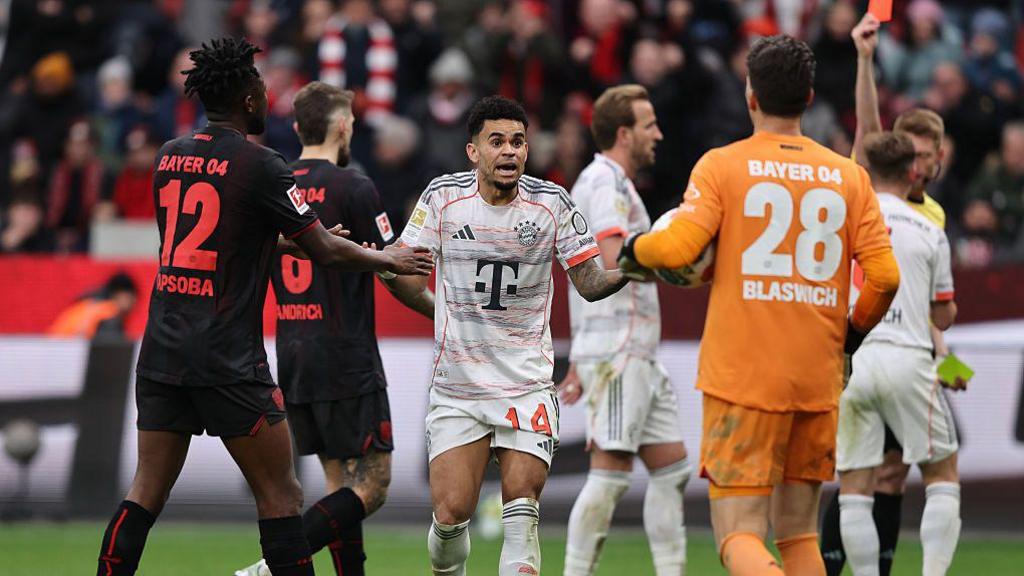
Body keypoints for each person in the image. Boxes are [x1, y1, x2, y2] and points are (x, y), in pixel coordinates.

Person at [94, 38, 432, 576]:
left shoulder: (168, 155)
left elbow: (206, 242)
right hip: (227, 357)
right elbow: (326, 250)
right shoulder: (261, 164)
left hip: (163, 350)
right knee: (281, 496)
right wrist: (385, 257)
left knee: (145, 491)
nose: (267, 94)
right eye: (260, 86)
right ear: (248, 99)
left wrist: (280, 243)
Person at [618, 35, 900, 576]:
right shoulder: (849, 177)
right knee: (798, 537)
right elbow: (885, 278)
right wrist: (851, 338)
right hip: (816, 377)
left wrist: (635, 249)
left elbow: (676, 249)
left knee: (739, 535)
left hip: (743, 379)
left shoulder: (724, 166)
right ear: (809, 98)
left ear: (751, 95)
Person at [393, 95, 628, 576]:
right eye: (496, 141)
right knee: (450, 519)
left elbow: (590, 283)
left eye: (517, 142)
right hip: (459, 389)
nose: (509, 151)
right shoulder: (442, 198)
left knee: (522, 511)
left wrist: (638, 266)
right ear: (473, 151)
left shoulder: (552, 203)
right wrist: (440, 309)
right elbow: (403, 275)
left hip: (526, 385)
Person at [235, 82, 434, 576]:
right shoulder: (354, 187)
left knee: (338, 486)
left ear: (297, 126)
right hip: (346, 357)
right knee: (372, 486)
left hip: (293, 354)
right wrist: (447, 313)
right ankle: (269, 567)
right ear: (343, 126)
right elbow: (394, 271)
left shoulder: (274, 182)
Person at [821, 15, 960, 575]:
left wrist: (948, 358)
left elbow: (929, 311)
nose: (921, 164)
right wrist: (864, 60)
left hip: (874, 352)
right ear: (905, 161)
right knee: (905, 473)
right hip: (891, 351)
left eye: (928, 154)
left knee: (884, 475)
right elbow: (869, 131)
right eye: (914, 155)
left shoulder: (922, 214)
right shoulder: (913, 218)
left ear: (939, 158)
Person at [559, 84, 690, 576]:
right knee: (610, 475)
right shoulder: (604, 184)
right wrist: (678, 258)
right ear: (624, 133)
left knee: (672, 470)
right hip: (618, 349)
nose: (658, 134)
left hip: (630, 348)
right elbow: (614, 260)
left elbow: (584, 269)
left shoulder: (611, 183)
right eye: (649, 125)